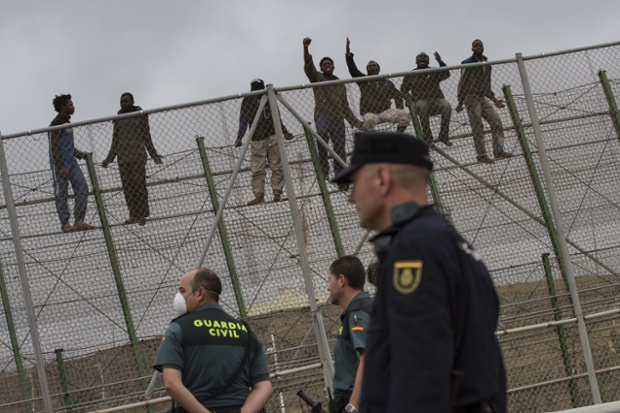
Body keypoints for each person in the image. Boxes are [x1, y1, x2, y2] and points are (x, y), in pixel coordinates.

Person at [331, 132, 507, 413]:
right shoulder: (448, 241)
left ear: (382, 179)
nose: (351, 198)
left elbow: (418, 365)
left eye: (355, 184)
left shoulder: (414, 247)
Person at [153, 268, 273, 413]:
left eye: (182, 290)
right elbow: (263, 387)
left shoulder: (178, 329)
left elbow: (171, 383)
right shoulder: (246, 333)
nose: (179, 296)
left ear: (200, 293)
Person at [303, 37, 363, 187]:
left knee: (340, 148)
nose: (327, 66)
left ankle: (342, 178)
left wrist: (355, 122)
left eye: (329, 64)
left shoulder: (339, 84)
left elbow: (345, 106)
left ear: (333, 67)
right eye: (324, 65)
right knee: (322, 138)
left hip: (338, 119)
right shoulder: (317, 78)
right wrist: (305, 48)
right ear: (321, 68)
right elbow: (308, 66)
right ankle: (324, 170)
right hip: (322, 116)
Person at [102, 93, 163, 225]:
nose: (123, 103)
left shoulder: (140, 115)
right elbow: (115, 140)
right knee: (128, 187)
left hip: (137, 155)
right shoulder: (118, 118)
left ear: (132, 101)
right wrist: (109, 159)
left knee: (138, 184)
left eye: (126, 101)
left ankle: (142, 213)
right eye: (121, 102)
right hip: (123, 157)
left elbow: (146, 136)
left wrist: (154, 155)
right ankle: (133, 214)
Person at [235, 79, 294, 206]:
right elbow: (243, 120)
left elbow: (276, 117)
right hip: (256, 137)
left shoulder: (269, 98)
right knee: (257, 168)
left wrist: (284, 132)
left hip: (272, 134)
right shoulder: (247, 101)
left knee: (277, 165)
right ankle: (259, 194)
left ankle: (277, 192)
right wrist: (240, 136)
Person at [326, 255, 372, 413]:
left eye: (329, 280)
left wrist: (352, 407)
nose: (327, 287)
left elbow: (369, 359)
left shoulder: (358, 312)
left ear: (341, 280)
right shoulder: (362, 310)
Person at [456, 39, 513, 164]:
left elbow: (486, 85)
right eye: (475, 46)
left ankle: (498, 151)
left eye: (480, 45)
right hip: (470, 97)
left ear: (483, 47)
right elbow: (462, 83)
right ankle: (481, 155)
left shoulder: (487, 65)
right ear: (472, 49)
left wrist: (494, 100)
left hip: (482, 97)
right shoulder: (467, 63)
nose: (478, 48)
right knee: (477, 126)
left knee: (496, 121)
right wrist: (460, 101)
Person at [48, 94, 96, 233]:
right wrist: (60, 165)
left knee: (82, 188)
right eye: (70, 105)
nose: (73, 107)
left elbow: (68, 145)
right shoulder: (56, 124)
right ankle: (65, 223)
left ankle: (79, 220)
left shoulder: (68, 123)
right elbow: (54, 147)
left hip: (72, 162)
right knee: (61, 193)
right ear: (63, 108)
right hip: (60, 164)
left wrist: (80, 155)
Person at [345, 38, 410, 133]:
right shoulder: (363, 80)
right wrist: (349, 56)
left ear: (378, 69)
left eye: (374, 66)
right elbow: (353, 70)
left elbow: (398, 95)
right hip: (370, 113)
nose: (372, 67)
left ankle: (398, 136)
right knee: (369, 120)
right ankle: (372, 142)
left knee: (405, 115)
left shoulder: (387, 83)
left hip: (385, 112)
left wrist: (399, 108)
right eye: (370, 66)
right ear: (367, 70)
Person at [401, 51, 452, 146]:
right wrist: (408, 98)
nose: (422, 58)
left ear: (428, 61)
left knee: (447, 105)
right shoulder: (410, 74)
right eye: (420, 57)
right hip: (419, 100)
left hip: (436, 99)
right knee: (423, 106)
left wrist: (440, 62)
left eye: (425, 57)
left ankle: (443, 136)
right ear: (416, 61)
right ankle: (428, 138)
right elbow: (403, 89)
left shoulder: (433, 71)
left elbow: (446, 74)